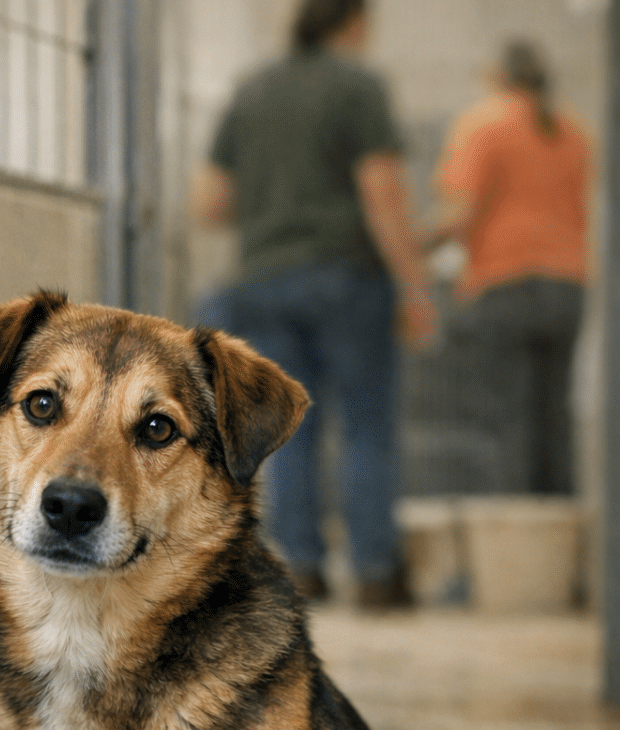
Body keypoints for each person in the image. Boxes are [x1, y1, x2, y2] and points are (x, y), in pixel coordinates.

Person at [190, 0, 435, 607]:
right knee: (367, 428)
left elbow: (209, 203)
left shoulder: (252, 91)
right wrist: (415, 287)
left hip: (264, 281)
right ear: (353, 24)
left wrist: (278, 209)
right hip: (347, 279)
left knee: (291, 429)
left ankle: (300, 566)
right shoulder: (358, 85)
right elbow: (383, 194)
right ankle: (376, 572)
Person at [426, 41, 591, 495]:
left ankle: (514, 541)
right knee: (554, 418)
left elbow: (457, 215)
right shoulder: (571, 133)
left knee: (507, 419)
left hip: (506, 286)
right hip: (569, 287)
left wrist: (410, 249)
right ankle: (558, 543)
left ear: (498, 77)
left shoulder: (484, 124)